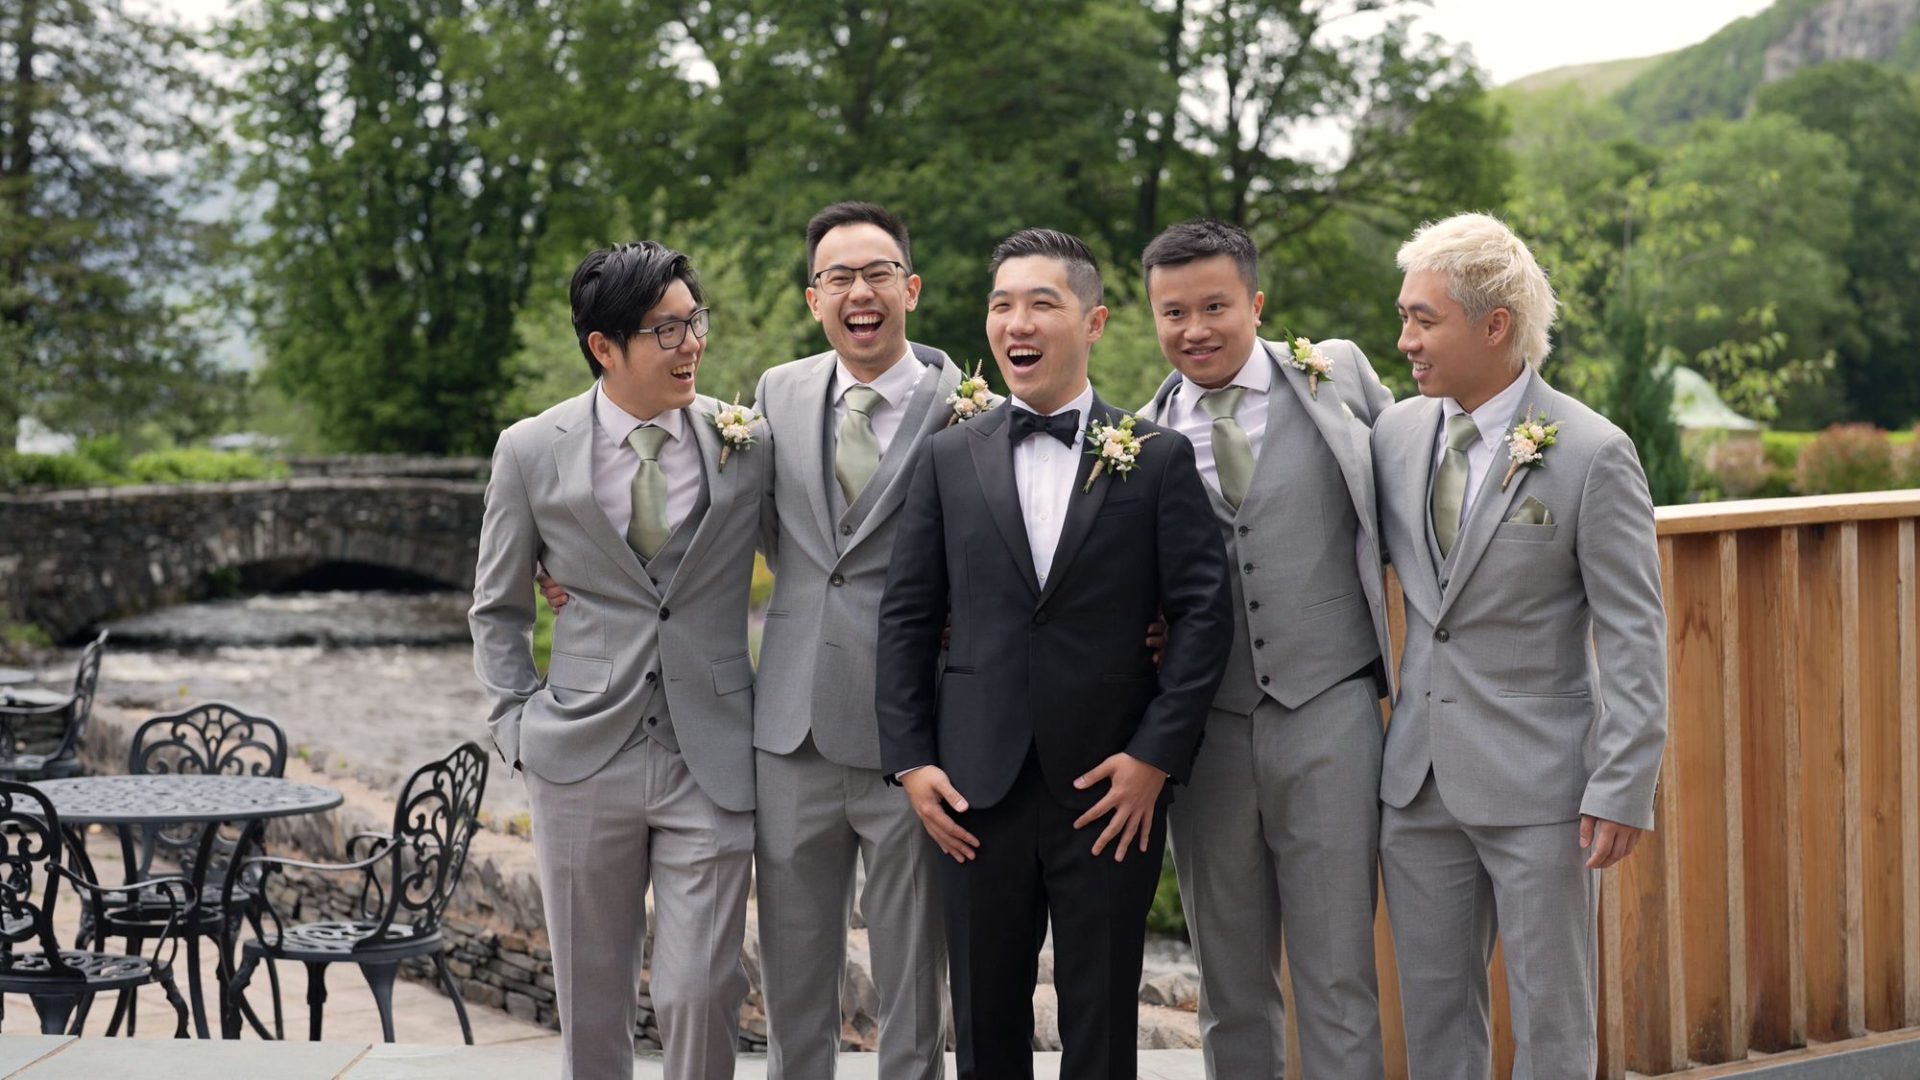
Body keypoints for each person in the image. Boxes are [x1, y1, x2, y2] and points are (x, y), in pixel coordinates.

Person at [874, 227, 1234, 1080]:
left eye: (1042, 303)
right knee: (984, 1024)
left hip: (1110, 792)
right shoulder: (947, 458)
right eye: (1002, 305)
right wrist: (912, 764)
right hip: (973, 790)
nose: (1017, 322)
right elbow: (908, 618)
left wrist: (1154, 759)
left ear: (1094, 321)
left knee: (1102, 1028)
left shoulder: (1157, 457)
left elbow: (1203, 617)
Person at [1372, 212, 1667, 1078]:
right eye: (1404, 317)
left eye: (1424, 320)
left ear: (1494, 325)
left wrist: (1623, 784)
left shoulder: (1593, 452)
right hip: (1417, 784)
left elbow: (1635, 633)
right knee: (1434, 1021)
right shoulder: (1394, 434)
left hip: (1547, 791)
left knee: (1551, 1022)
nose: (1405, 341)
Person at [470, 242, 766, 1080]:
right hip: (579, 754)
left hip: (711, 750)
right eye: (666, 329)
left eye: (694, 321)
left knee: (701, 987)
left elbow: (824, 556)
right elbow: (497, 606)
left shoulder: (747, 441)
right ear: (604, 346)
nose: (691, 343)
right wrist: (516, 724)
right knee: (591, 997)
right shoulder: (530, 449)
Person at [1133, 218, 1393, 1079]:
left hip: (1331, 712)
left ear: (1255, 302)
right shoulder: (1138, 440)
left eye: (1214, 306)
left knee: (1339, 974)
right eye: (1174, 313)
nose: (1194, 330)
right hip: (1207, 731)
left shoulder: (1337, 375)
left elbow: (1414, 490)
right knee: (1230, 981)